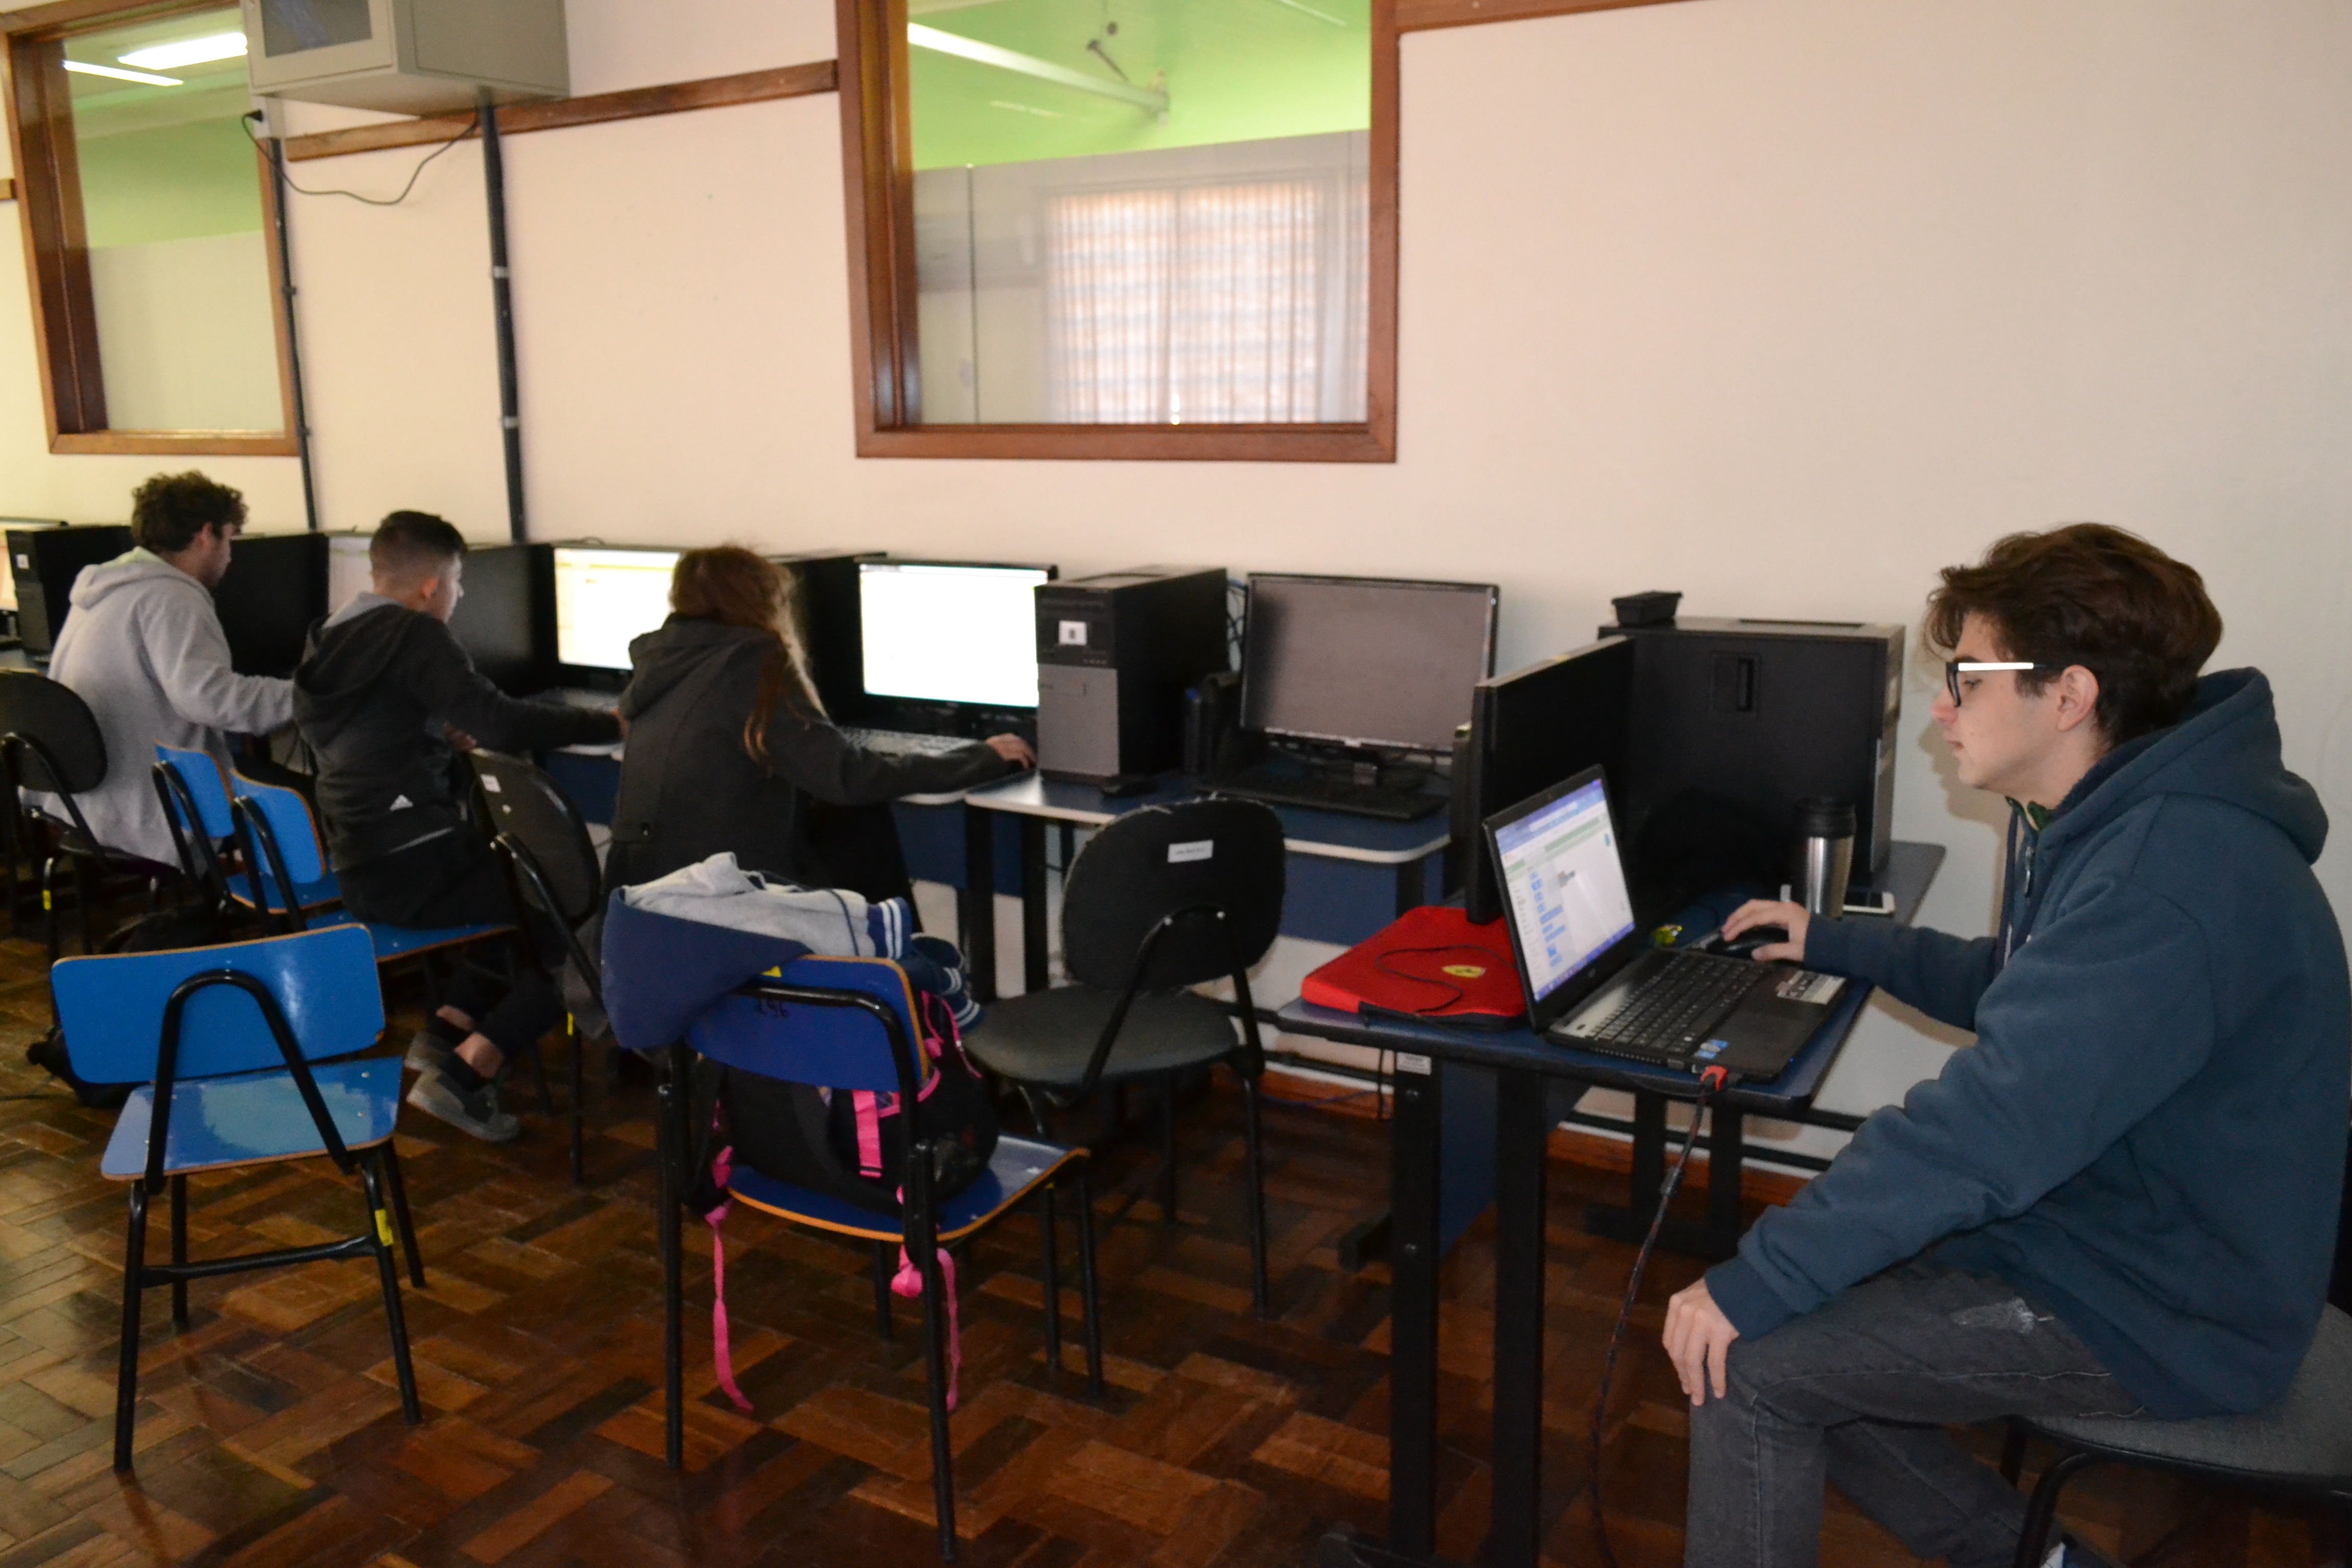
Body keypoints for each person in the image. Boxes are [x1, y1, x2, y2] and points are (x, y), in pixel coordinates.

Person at [1666, 523, 2350, 1568]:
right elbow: (2023, 989)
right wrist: (1836, 939)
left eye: (1967, 679)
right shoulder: (2131, 819)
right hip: (2114, 1232)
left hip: (2166, 1309)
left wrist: (1754, 1281)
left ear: (2068, 697)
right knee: (1797, 1315)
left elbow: (1989, 1128)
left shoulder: (2165, 878)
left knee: (1748, 1363)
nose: (1942, 710)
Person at [294, 511, 622, 1142]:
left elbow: (366, 728)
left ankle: (447, 1029)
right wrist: (608, 724)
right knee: (577, 913)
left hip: (363, 863)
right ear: (432, 586)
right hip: (415, 865)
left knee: (516, 880)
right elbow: (500, 722)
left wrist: (430, 732)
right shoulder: (415, 634)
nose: (461, 594)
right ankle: (470, 1072)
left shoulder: (330, 636)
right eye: (459, 582)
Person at [604, 546, 1032, 894]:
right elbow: (849, 777)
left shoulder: (663, 665)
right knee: (858, 827)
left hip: (650, 895)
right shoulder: (750, 665)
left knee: (841, 824)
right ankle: (893, 962)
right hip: (725, 896)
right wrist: (981, 757)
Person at [36, 472, 293, 868]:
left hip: (86, 801)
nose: (230, 556)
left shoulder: (104, 587)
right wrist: (305, 695)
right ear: (205, 535)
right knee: (308, 800)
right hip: (152, 804)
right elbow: (211, 701)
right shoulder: (172, 596)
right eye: (229, 539)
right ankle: (290, 904)